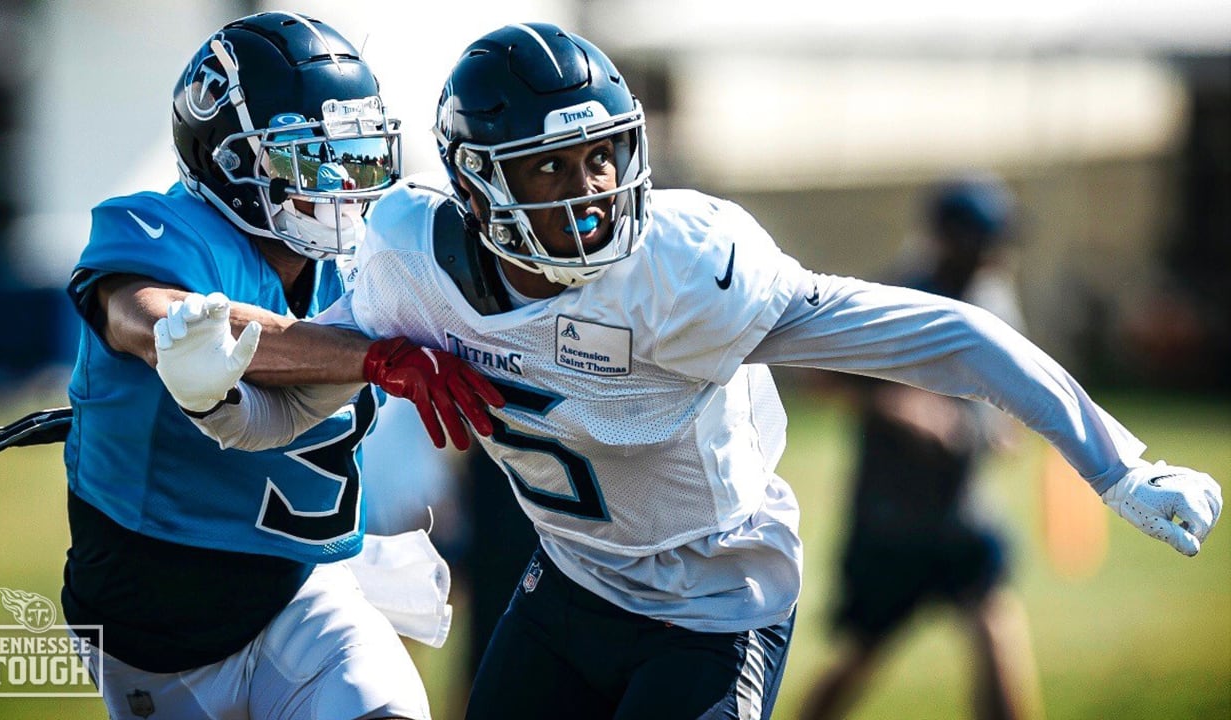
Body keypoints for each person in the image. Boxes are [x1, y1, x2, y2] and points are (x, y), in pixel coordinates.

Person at [150, 23, 1223, 720]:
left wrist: (1112, 464)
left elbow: (944, 337)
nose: (590, 191)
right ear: (475, 184)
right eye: (551, 168)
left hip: (716, 598)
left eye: (601, 156)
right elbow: (275, 417)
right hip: (568, 583)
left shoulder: (686, 272)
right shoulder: (402, 261)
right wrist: (210, 385)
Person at [0, 11, 500, 720]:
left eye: (351, 152)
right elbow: (147, 313)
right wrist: (367, 356)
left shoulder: (369, 257)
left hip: (302, 595)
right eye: (308, 156)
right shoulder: (167, 229)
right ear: (228, 159)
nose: (341, 179)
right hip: (156, 637)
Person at [797, 177, 1044, 720]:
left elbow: (1006, 397)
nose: (996, 252)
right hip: (893, 521)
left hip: (962, 512)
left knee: (996, 628)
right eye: (985, 239)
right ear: (949, 239)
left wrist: (1003, 427)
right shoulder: (901, 295)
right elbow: (819, 372)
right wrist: (896, 405)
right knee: (860, 655)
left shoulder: (995, 296)